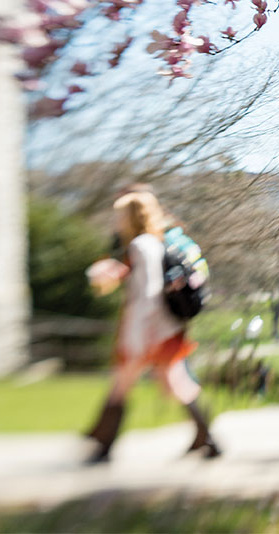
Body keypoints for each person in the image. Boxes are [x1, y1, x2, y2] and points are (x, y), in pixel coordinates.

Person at [83, 191, 219, 463]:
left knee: (126, 384)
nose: (117, 221)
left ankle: (104, 447)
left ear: (132, 217)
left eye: (120, 215)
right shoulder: (151, 243)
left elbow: (147, 295)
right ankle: (208, 439)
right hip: (162, 330)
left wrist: (136, 336)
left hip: (150, 333)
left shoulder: (141, 246)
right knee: (173, 383)